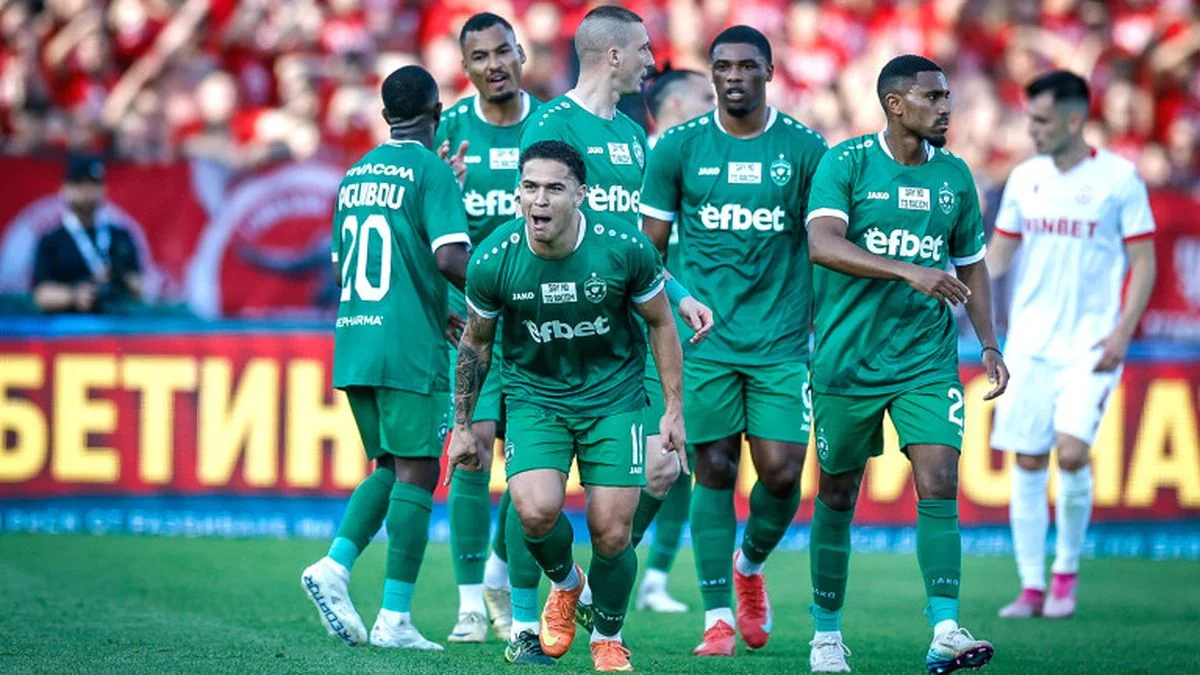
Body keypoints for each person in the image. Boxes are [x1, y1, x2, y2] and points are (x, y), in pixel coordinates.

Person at [448, 140, 686, 672]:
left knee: (612, 531)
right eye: (529, 187)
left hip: (615, 399)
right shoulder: (493, 257)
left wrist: (672, 411)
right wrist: (461, 424)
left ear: (581, 194)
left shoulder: (624, 247)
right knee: (534, 510)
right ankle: (567, 583)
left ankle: (608, 636)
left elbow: (661, 322)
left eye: (554, 188)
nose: (540, 200)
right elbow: (476, 343)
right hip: (536, 399)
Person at [804, 54, 1009, 674]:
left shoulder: (955, 175)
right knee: (838, 493)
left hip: (925, 357)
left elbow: (971, 264)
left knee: (940, 479)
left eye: (947, 96)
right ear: (895, 104)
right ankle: (826, 635)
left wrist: (990, 344)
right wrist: (909, 271)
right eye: (933, 97)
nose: (947, 107)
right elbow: (822, 244)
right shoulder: (846, 163)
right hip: (848, 358)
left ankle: (945, 627)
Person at [516, 3, 713, 639]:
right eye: (645, 50)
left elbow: (633, 242)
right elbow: (538, 229)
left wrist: (677, 292)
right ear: (613, 55)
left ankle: (602, 590)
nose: (652, 62)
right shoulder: (552, 125)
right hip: (566, 334)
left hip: (633, 331)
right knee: (538, 497)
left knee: (664, 466)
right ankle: (542, 590)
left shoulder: (631, 137)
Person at [640, 26, 827, 657]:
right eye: (722, 66)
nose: (734, 76)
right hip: (706, 344)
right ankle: (717, 617)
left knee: (782, 473)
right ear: (712, 73)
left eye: (748, 66)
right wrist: (677, 301)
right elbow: (647, 252)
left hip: (781, 343)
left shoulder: (806, 149)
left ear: (769, 72)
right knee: (714, 468)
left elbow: (826, 242)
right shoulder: (678, 147)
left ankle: (750, 565)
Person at [299, 65, 472, 651]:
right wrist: (503, 289)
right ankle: (394, 617)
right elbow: (450, 258)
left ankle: (334, 567)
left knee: (389, 466)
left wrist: (431, 300)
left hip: (356, 340)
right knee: (419, 471)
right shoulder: (432, 171)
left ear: (384, 116)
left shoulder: (354, 175)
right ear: (437, 113)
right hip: (407, 347)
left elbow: (344, 267)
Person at [987, 71, 1157, 620]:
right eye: (1029, 119)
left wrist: (1122, 331)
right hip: (1029, 344)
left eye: (1040, 120)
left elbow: (1145, 263)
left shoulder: (1119, 179)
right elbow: (999, 255)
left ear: (1073, 119)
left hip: (1090, 343)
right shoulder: (1025, 179)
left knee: (1073, 452)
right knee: (1028, 458)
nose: (1031, 130)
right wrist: (951, 288)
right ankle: (1031, 585)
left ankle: (1065, 572)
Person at [434, 11, 543, 645]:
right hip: (474, 328)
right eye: (480, 56)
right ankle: (471, 604)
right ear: (465, 67)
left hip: (543, 325)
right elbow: (425, 234)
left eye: (503, 51)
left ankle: (501, 574)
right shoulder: (448, 133)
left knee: (530, 463)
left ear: (520, 53)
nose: (494, 64)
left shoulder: (553, 126)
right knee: (472, 450)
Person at [634, 66, 715, 616]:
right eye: (705, 96)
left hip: (693, 330)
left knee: (685, 454)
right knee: (642, 457)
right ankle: (607, 563)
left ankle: (656, 577)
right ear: (676, 105)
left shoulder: (709, 162)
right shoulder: (640, 162)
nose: (715, 104)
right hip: (644, 332)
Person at [32, 155, 143, 314]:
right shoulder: (51, 241)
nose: (87, 192)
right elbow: (41, 294)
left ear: (104, 189)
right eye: (80, 184)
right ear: (65, 188)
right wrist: (74, 296)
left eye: (93, 185)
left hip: (116, 323)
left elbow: (141, 288)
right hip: (66, 324)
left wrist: (118, 278)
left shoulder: (120, 236)